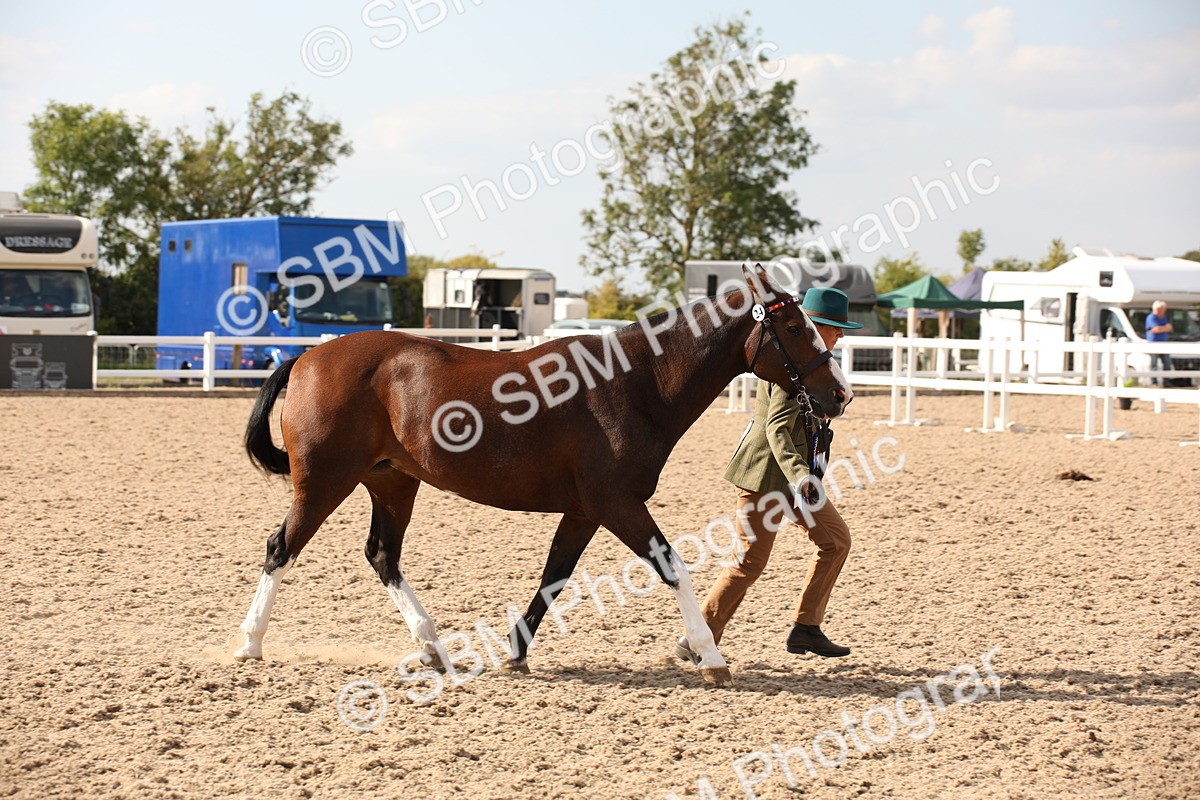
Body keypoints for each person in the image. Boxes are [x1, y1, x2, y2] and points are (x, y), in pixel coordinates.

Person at [677, 287, 862, 665]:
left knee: (836, 542)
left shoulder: (812, 363)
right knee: (748, 564)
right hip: (766, 478)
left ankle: (806, 627)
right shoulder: (788, 367)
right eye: (835, 327)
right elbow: (777, 427)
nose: (841, 334)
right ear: (814, 325)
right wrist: (801, 477)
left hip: (796, 481)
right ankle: (697, 640)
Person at [1145, 300, 1173, 386]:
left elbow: (1170, 328)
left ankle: (1166, 381)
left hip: (1163, 344)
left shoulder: (1163, 317)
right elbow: (1155, 329)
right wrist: (1164, 328)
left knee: (1167, 363)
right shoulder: (1151, 317)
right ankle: (1154, 382)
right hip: (1153, 344)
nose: (1163, 311)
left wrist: (1161, 328)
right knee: (1154, 364)